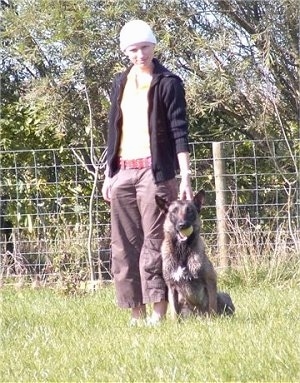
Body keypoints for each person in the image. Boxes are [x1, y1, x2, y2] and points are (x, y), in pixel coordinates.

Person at [101, 19, 193, 326]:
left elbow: (180, 131)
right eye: (133, 49)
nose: (139, 54)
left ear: (154, 46)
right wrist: (108, 175)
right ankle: (135, 312)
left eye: (144, 47)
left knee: (155, 243)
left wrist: (185, 177)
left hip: (155, 173)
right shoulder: (119, 82)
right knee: (123, 244)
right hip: (122, 173)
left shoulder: (169, 82)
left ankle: (158, 310)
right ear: (125, 51)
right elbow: (114, 130)